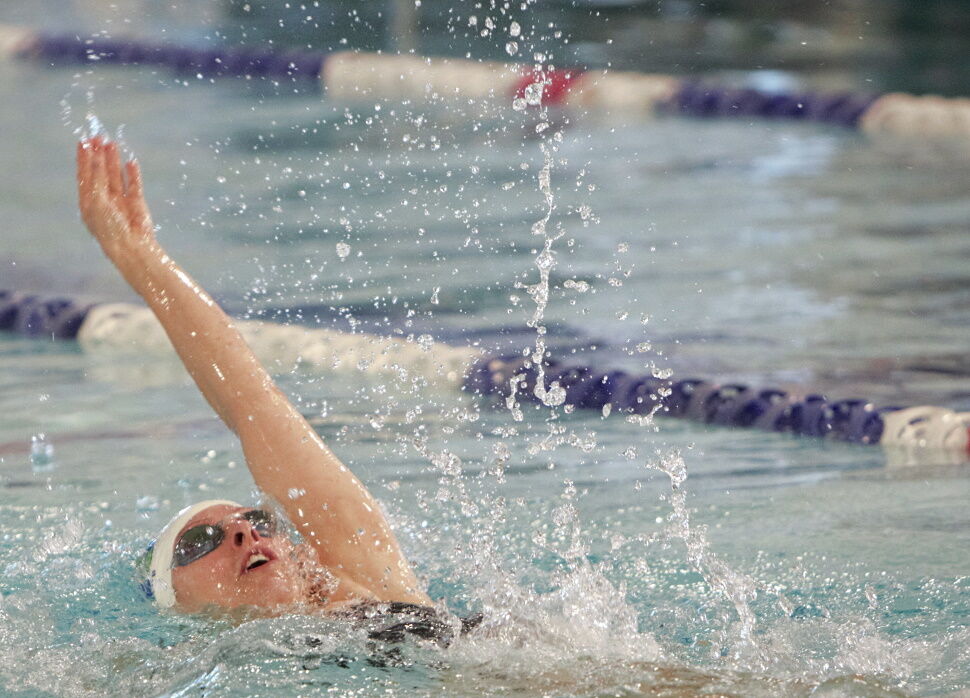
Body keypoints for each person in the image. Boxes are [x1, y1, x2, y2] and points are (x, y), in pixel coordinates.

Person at [76, 133, 433, 616]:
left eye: (262, 521)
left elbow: (250, 401)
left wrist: (138, 255)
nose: (246, 533)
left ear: (308, 557)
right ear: (177, 606)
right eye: (200, 542)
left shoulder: (367, 586)